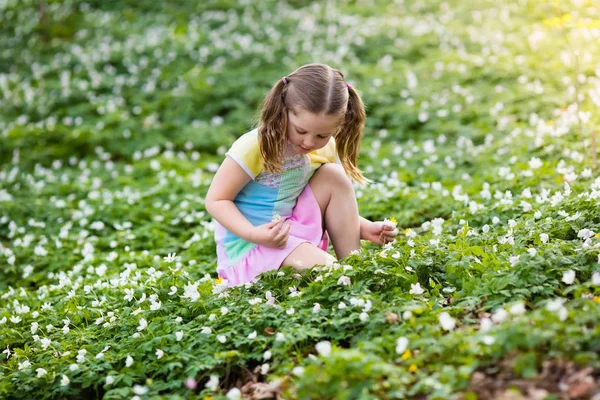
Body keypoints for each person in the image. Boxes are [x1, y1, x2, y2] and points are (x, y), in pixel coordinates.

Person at [205, 63, 398, 286]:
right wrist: (253, 233)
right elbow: (216, 200)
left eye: (322, 135)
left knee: (334, 176)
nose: (309, 142)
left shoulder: (325, 148)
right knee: (331, 272)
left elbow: (330, 203)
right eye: (301, 130)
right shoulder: (255, 146)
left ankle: (355, 267)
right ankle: (346, 278)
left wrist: (363, 227)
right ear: (283, 110)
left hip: (290, 231)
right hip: (251, 248)